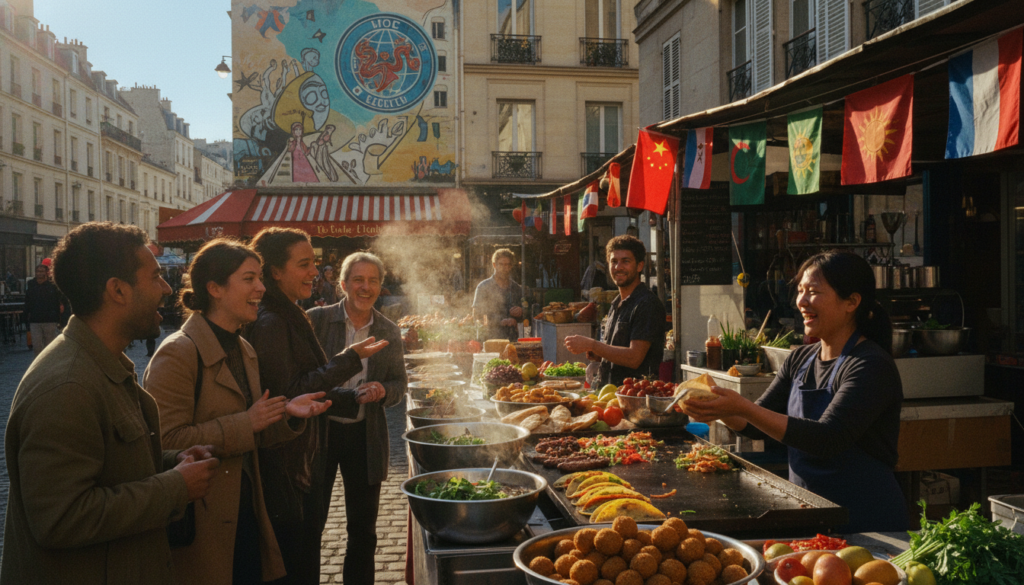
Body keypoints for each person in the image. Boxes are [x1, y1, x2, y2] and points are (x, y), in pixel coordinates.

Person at [1, 222, 219, 584]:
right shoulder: (68, 386)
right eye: (154, 277)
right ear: (117, 290)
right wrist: (176, 486)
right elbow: (61, 518)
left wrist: (170, 463)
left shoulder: (98, 362)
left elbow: (110, 462)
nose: (166, 288)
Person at [144, 239, 333, 585]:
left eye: (260, 278)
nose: (261, 287)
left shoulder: (243, 347)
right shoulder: (178, 353)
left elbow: (253, 430)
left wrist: (287, 413)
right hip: (203, 523)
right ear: (214, 288)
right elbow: (164, 442)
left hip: (247, 514)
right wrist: (245, 423)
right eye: (249, 279)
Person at [684, 251, 907, 533]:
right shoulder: (801, 358)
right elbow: (754, 428)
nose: (801, 302)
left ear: (852, 302)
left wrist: (742, 407)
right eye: (800, 291)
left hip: (865, 522)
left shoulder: (870, 365)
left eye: (813, 292)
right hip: (809, 514)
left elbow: (828, 438)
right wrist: (722, 410)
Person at [244, 227, 388, 585]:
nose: (314, 271)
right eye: (305, 264)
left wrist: (356, 396)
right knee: (299, 558)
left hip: (304, 453)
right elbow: (291, 393)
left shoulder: (290, 313)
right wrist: (349, 360)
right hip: (292, 462)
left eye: (315, 263)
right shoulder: (275, 320)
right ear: (275, 272)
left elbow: (307, 387)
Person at [307, 252, 407, 585]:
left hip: (365, 435)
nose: (366, 287)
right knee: (310, 525)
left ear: (381, 285)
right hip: (318, 434)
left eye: (373, 280)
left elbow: (399, 385)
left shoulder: (388, 330)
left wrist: (383, 389)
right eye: (358, 280)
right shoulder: (317, 320)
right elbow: (302, 377)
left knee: (363, 531)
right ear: (343, 284)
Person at [565, 235, 665, 386]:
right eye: (614, 261)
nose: (618, 267)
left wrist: (593, 345)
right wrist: (599, 356)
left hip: (636, 398)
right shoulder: (616, 303)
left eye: (626, 261)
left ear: (639, 266)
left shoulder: (647, 304)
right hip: (610, 395)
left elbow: (634, 358)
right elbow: (619, 350)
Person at [472, 248, 523, 341]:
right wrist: (499, 321)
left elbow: (527, 316)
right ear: (494, 265)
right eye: (501, 264)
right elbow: (477, 315)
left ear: (511, 266)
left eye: (507, 265)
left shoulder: (517, 288)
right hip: (490, 339)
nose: (504, 268)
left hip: (512, 339)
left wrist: (521, 311)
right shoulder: (483, 287)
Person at [24, 263, 63, 357]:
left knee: (49, 347)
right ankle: (39, 368)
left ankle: (49, 367)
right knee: (37, 347)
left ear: (46, 272)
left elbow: (57, 301)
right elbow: (27, 301)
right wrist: (26, 317)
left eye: (41, 271)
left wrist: (58, 318)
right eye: (37, 271)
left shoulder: (52, 285)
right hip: (35, 320)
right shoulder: (31, 284)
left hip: (49, 320)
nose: (39, 273)